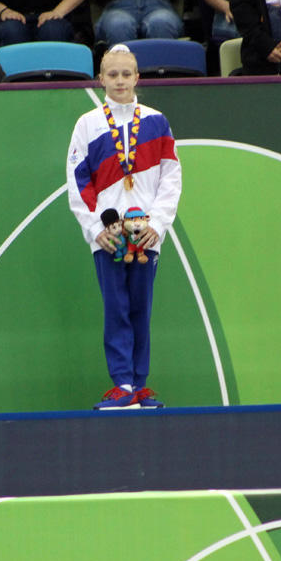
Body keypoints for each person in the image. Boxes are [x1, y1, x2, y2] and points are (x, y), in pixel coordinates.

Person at [66, 43, 182, 410]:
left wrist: (159, 225)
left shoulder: (156, 121)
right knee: (116, 307)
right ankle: (122, 382)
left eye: (126, 74)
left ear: (137, 78)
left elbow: (171, 177)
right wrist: (94, 229)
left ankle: (139, 383)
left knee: (140, 309)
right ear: (100, 78)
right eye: (112, 74)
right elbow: (77, 179)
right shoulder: (87, 124)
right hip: (109, 235)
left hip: (146, 232)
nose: (119, 81)